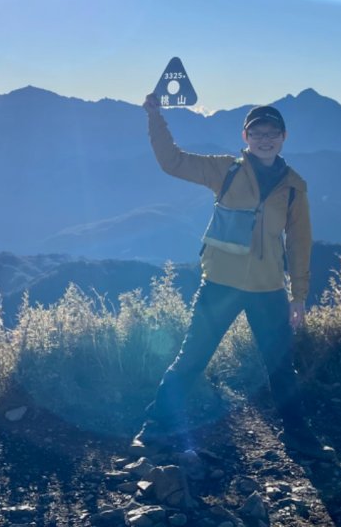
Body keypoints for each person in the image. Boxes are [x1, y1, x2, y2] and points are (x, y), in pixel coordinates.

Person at [133, 94, 329, 456]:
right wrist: (154, 117)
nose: (265, 139)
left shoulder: (294, 187)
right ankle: (155, 426)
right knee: (192, 357)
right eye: (258, 133)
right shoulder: (226, 170)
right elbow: (172, 161)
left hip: (268, 288)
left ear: (284, 137)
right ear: (245, 137)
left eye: (272, 132)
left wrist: (298, 295)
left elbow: (300, 242)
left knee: (281, 367)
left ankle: (299, 436)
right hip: (220, 284)